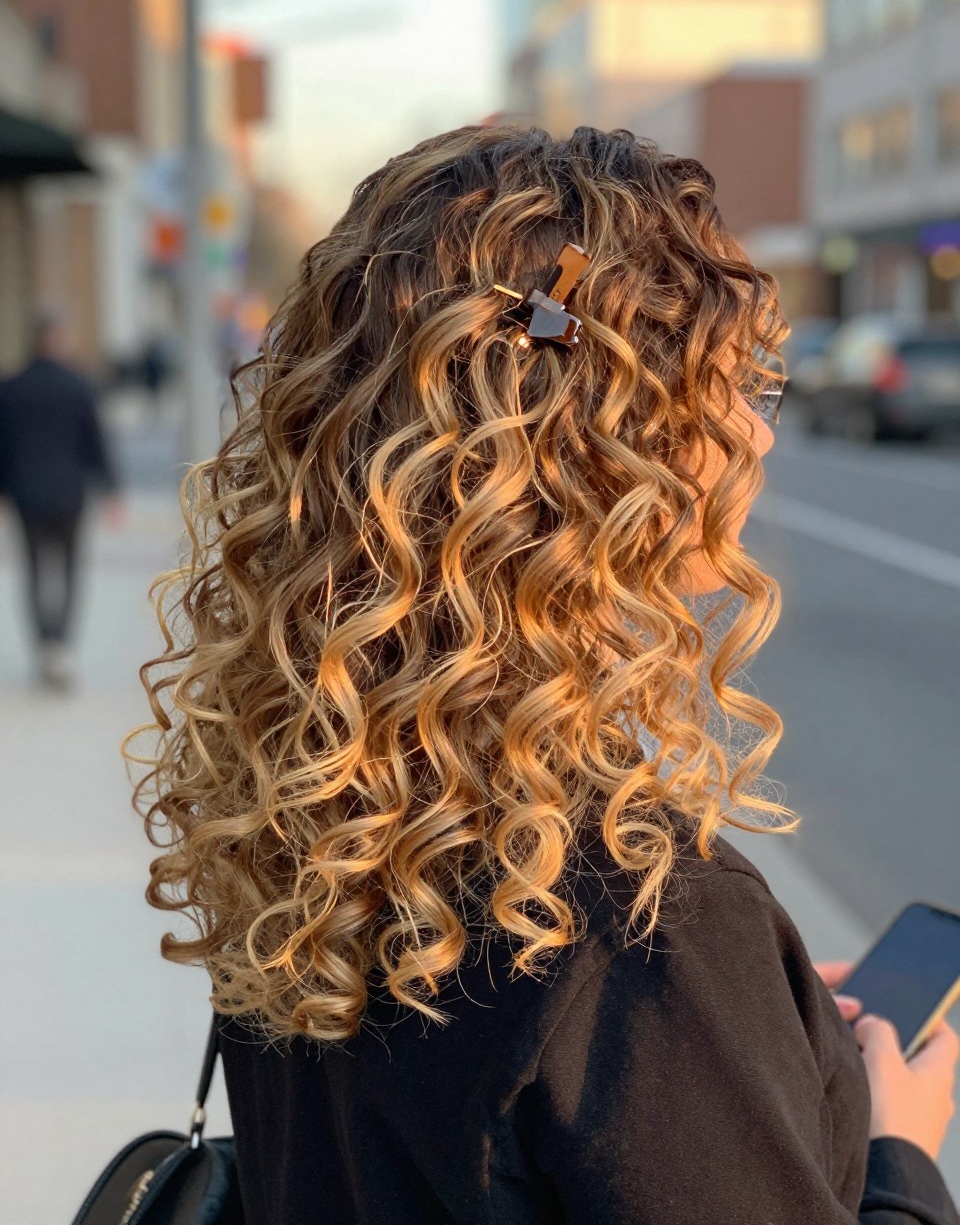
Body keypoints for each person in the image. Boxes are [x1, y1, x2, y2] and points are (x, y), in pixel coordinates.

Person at [128, 126, 959, 1223]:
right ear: (592, 452)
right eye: (728, 385)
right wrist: (902, 1148)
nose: (760, 433)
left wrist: (774, 1025)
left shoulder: (319, 812)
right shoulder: (649, 932)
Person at [0, 307, 121, 688]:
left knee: (34, 568)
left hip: (26, 493)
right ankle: (61, 645)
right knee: (69, 569)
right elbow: (96, 443)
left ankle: (45, 645)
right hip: (70, 492)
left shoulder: (11, 387)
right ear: (61, 338)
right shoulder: (79, 386)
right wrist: (111, 489)